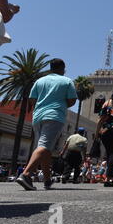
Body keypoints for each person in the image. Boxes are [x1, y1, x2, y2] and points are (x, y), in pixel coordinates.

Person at [16, 59, 77, 191]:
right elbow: (72, 100)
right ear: (62, 69)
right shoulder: (67, 81)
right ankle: (26, 174)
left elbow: (32, 99)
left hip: (38, 116)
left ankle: (47, 180)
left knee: (45, 148)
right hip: (54, 116)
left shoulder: (39, 81)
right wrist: (60, 103)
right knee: (44, 146)